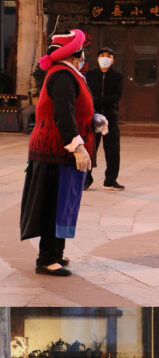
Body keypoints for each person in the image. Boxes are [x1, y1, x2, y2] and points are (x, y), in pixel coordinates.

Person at [20, 29, 107, 276]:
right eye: (82, 49)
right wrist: (77, 146)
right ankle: (46, 259)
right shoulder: (62, 76)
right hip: (55, 151)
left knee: (64, 204)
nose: (84, 54)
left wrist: (94, 119)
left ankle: (55, 253)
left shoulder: (70, 74)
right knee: (53, 204)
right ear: (75, 52)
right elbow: (63, 115)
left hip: (62, 151)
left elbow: (76, 109)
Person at [86, 49, 124, 190]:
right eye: (102, 56)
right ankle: (86, 180)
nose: (105, 58)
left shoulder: (117, 77)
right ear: (97, 59)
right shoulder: (89, 75)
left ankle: (110, 180)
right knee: (90, 149)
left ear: (113, 60)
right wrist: (97, 102)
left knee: (113, 150)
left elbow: (116, 97)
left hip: (110, 118)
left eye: (108, 56)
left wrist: (96, 100)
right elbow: (87, 95)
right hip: (93, 117)